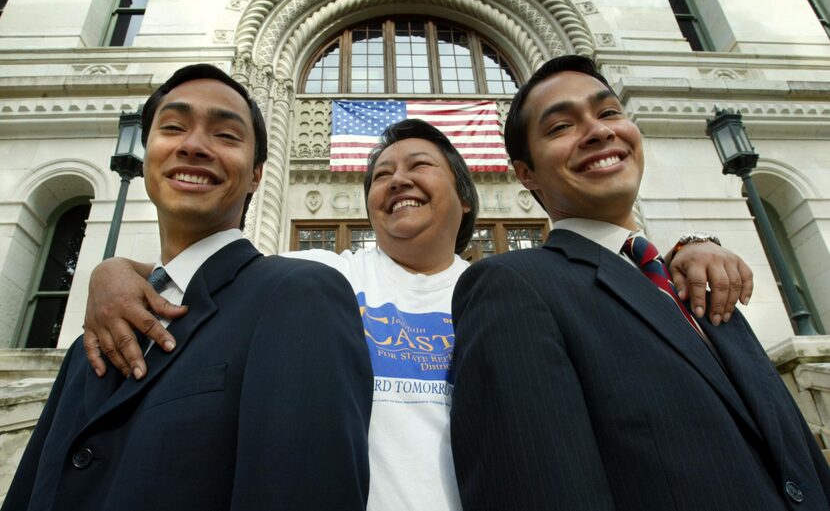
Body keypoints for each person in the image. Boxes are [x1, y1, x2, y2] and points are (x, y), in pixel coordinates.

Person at [81, 117, 753, 511]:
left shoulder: (521, 292)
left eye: (418, 165)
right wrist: (115, 272)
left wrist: (692, 248)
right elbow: (210, 293)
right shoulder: (319, 278)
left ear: (465, 198)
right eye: (380, 173)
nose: (395, 179)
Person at [449, 54, 830, 511]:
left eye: (608, 112)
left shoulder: (696, 278)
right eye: (560, 127)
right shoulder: (510, 285)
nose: (599, 131)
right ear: (526, 173)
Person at [2, 64, 372, 511]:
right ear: (146, 158)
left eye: (226, 135)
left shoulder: (300, 296)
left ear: (257, 175)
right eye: (173, 127)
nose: (193, 146)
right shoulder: (89, 343)